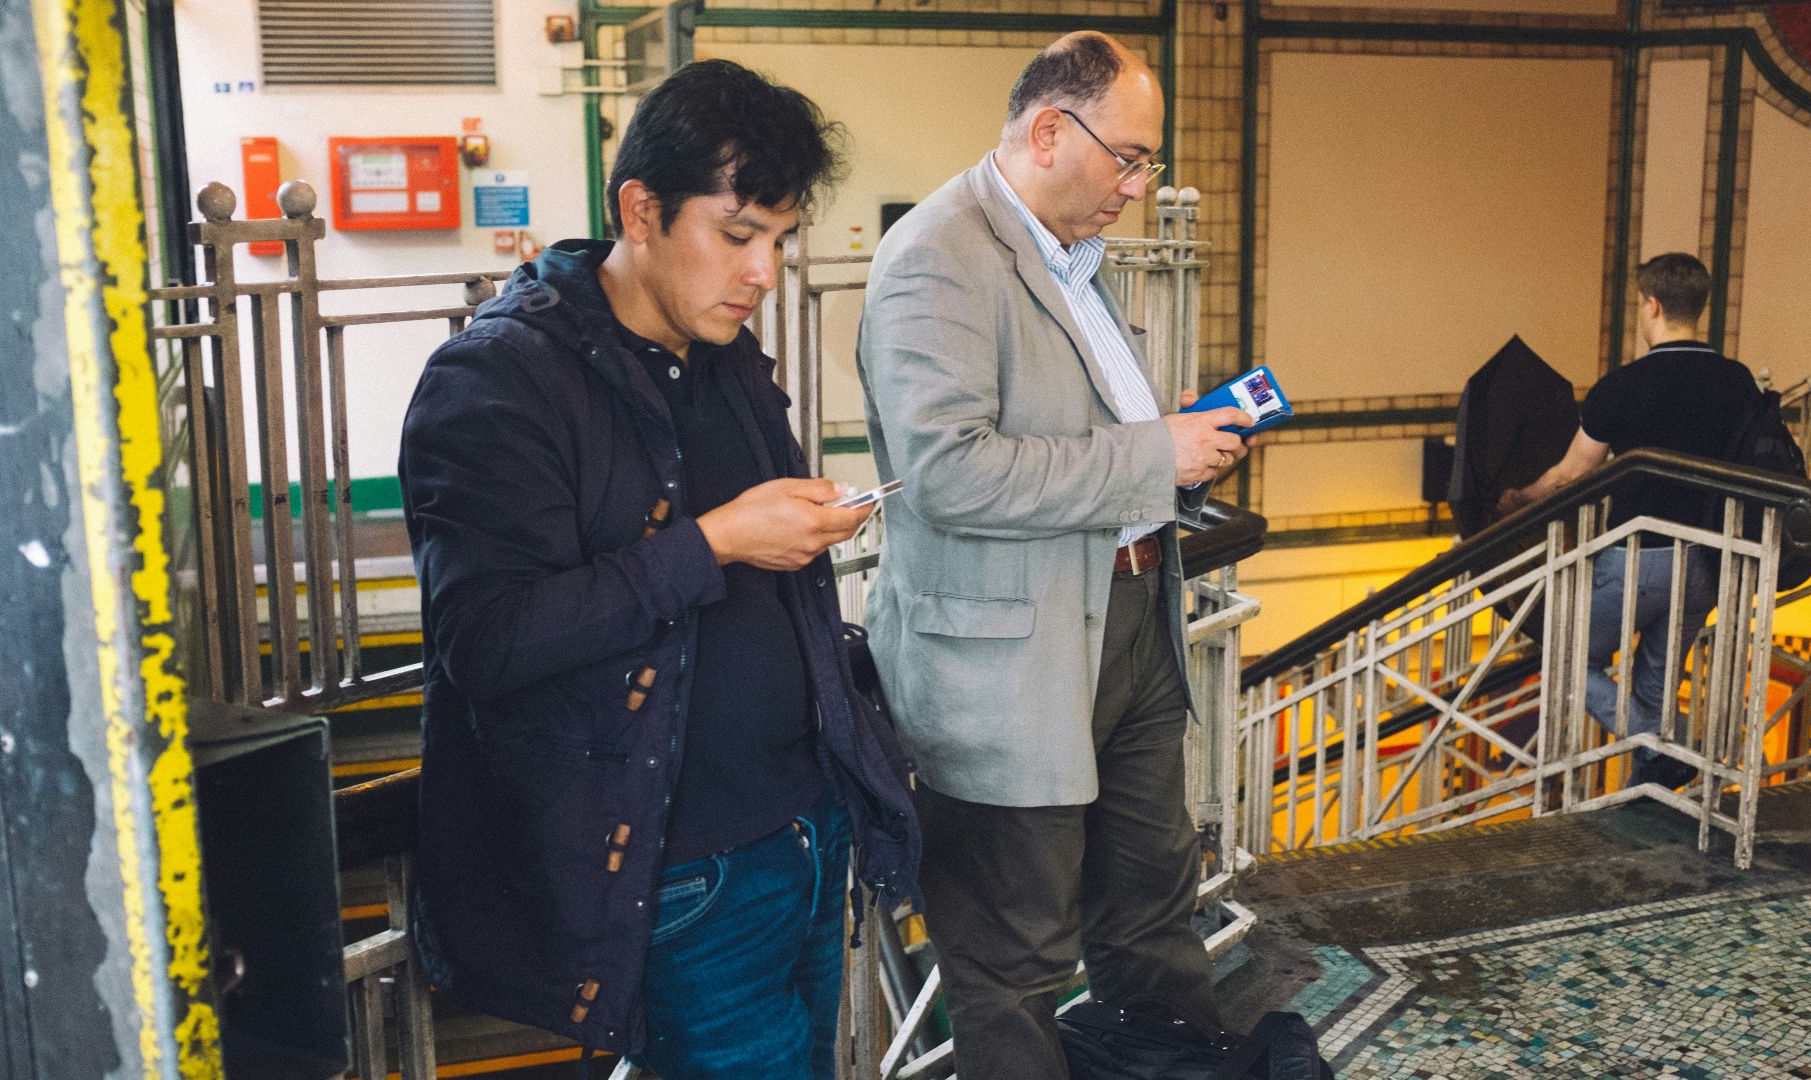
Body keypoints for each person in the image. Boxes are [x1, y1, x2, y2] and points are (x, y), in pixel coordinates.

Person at [398, 59, 919, 1079]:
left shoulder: (726, 359)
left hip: (804, 836)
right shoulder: (498, 380)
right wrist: (718, 541)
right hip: (679, 873)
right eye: (736, 237)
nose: (764, 272)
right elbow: (487, 641)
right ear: (640, 210)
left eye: (779, 239)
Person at [856, 32, 1257, 1079]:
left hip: (1125, 624)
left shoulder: (1071, 251)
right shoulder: (935, 258)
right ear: (1049, 130)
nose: (1140, 184)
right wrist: (1146, 454)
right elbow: (951, 474)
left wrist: (1176, 455)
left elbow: (1082, 430)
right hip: (1005, 662)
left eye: (1146, 161)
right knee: (1016, 957)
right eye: (1130, 157)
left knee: (1153, 908)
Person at [1497, 253, 1762, 791]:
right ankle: (1653, 788)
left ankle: (1673, 743)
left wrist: (1520, 498)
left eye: (1642, 305)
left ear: (1653, 305)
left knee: (1566, 660)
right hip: (1712, 557)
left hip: (1639, 557)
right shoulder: (1738, 384)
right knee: (1657, 685)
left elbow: (1570, 474)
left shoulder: (1621, 387)